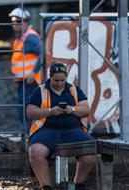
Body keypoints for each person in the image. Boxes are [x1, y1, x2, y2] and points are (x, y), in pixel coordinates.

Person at [27, 62, 95, 190]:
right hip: (47, 131)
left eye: (62, 80)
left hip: (73, 131)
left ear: (66, 77)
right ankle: (46, 186)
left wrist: (72, 109)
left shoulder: (74, 89)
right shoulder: (40, 90)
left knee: (90, 150)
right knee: (35, 151)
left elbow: (86, 109)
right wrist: (49, 111)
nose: (59, 83)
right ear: (50, 77)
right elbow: (30, 112)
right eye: (56, 80)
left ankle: (78, 185)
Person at [9, 7, 42, 129]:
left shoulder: (31, 38)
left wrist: (33, 73)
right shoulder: (21, 39)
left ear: (25, 22)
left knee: (27, 112)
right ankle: (29, 137)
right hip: (24, 81)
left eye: (17, 21)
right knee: (24, 112)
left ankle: (31, 138)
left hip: (31, 82)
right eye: (13, 21)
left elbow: (43, 54)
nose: (14, 24)